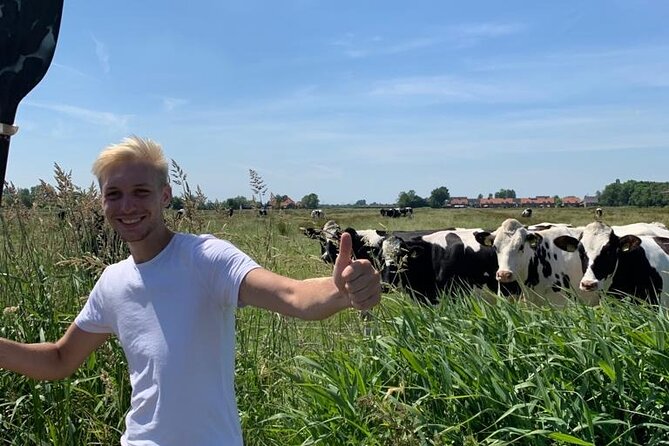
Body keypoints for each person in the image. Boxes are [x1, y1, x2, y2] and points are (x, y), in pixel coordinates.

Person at [0, 136, 382, 445]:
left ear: (165, 196)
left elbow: (293, 296)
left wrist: (342, 291)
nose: (127, 205)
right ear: (101, 202)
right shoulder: (112, 282)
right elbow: (59, 359)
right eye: (114, 194)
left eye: (140, 192)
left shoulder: (205, 258)